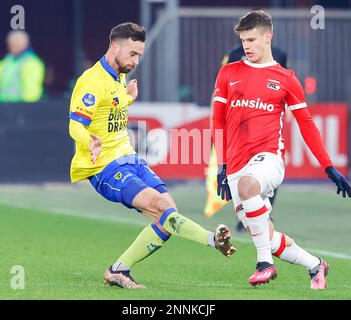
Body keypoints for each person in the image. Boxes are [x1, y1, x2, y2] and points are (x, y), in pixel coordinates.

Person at [68, 22, 236, 289]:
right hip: (103, 167)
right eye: (132, 54)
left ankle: (118, 270)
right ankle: (211, 239)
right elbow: (75, 124)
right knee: (160, 207)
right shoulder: (91, 81)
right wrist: (88, 139)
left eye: (139, 55)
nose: (136, 61)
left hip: (130, 158)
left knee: (168, 216)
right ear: (115, 47)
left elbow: (109, 107)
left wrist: (127, 99)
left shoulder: (118, 75)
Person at [211, 10, 351, 289]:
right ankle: (316, 266)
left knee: (251, 187)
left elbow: (306, 124)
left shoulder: (286, 78)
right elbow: (217, 119)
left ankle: (264, 265)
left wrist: (328, 166)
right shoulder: (228, 73)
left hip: (269, 159)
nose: (246, 46)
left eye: (251, 40)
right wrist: (222, 166)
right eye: (243, 41)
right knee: (266, 235)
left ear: (268, 37)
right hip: (236, 166)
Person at [204, 44, 288, 230]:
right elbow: (220, 86)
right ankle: (251, 215)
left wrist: (285, 110)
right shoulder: (234, 54)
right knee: (241, 172)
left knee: (265, 169)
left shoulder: (279, 54)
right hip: (238, 123)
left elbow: (283, 86)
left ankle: (263, 214)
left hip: (265, 122)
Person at [0, 30, 45, 103]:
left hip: (20, 106)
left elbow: (32, 88)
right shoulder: (6, 62)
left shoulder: (32, 63)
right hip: (2, 104)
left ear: (26, 44)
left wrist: (27, 104)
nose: (14, 45)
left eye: (17, 43)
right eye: (11, 43)